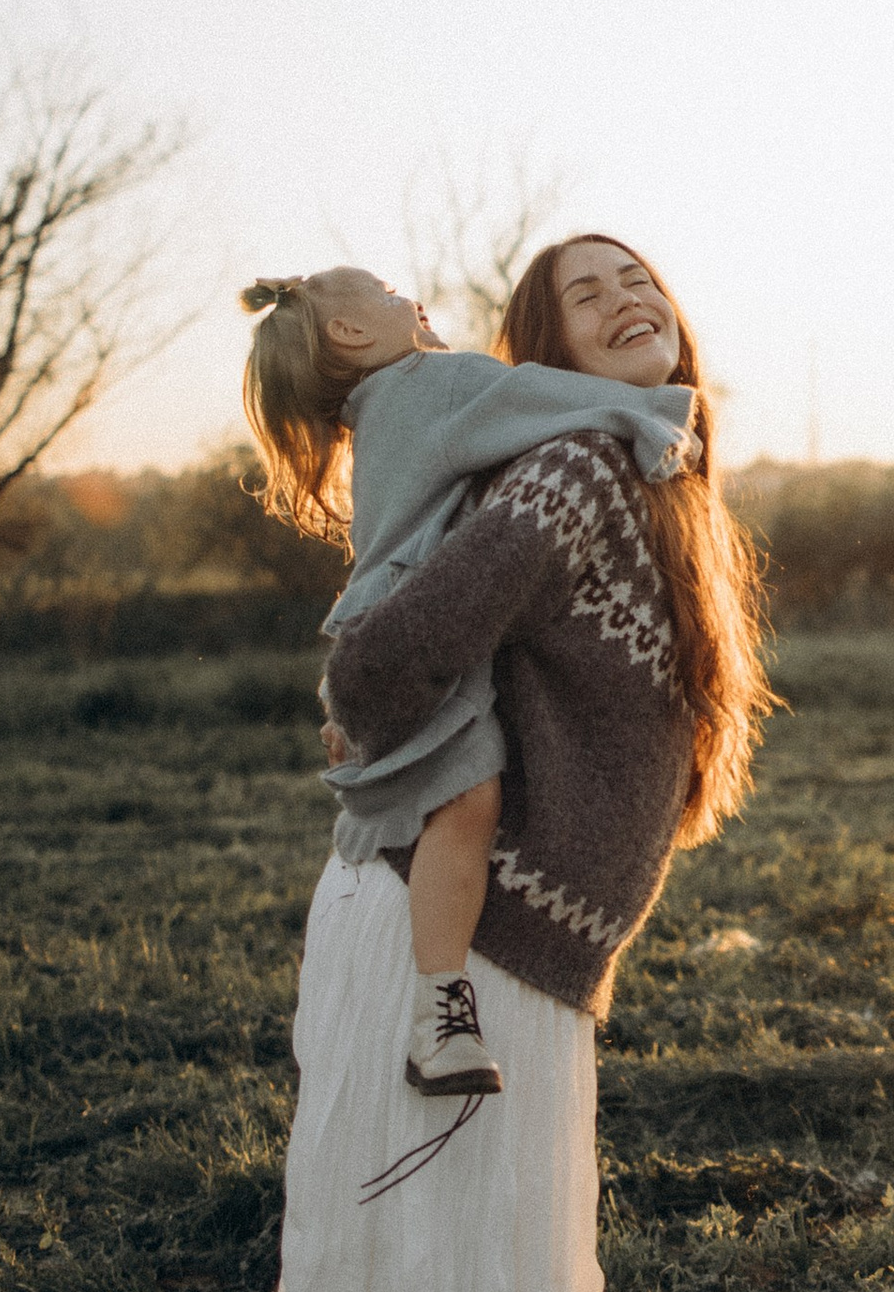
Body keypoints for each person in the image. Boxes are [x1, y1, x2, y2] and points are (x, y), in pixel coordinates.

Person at [251, 234, 773, 1292]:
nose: (627, 295)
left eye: (642, 278)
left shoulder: (641, 494)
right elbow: (371, 662)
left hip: (502, 960)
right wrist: (388, 725)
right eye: (584, 291)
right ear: (537, 347)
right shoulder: (559, 475)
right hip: (444, 959)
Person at [239, 265, 697, 1103]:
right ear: (350, 335)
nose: (407, 295)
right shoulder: (434, 382)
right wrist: (657, 418)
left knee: (451, 798)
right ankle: (442, 1011)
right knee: (467, 802)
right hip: (402, 625)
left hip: (379, 614)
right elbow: (534, 397)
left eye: (636, 282)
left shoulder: (386, 412)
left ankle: (438, 1004)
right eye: (384, 291)